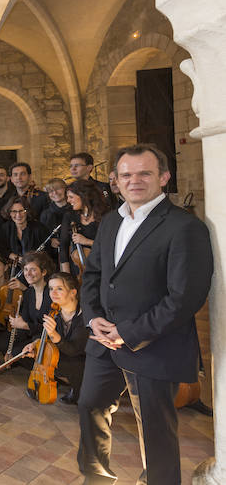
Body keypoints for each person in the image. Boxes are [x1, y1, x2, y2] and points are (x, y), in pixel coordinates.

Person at [78, 144, 213, 484]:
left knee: (155, 430)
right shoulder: (110, 222)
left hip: (154, 344)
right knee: (90, 406)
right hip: (104, 341)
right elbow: (93, 275)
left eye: (144, 173)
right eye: (126, 175)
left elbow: (184, 298)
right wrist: (93, 317)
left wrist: (128, 332)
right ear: (116, 182)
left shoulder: (184, 227)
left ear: (164, 177)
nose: (134, 181)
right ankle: (95, 476)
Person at [23, 271, 85, 404]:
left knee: (58, 362)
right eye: (51, 288)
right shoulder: (55, 311)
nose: (53, 293)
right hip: (65, 354)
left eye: (59, 289)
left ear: (73, 292)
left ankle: (79, 390)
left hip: (84, 360)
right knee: (36, 356)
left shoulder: (84, 316)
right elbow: (44, 336)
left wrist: (55, 336)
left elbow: (75, 350)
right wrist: (35, 344)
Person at [3, 251, 54, 359]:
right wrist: (18, 321)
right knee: (4, 344)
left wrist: (25, 325)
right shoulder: (28, 293)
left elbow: (51, 329)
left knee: (18, 352)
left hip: (49, 339)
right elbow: (26, 320)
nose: (28, 273)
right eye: (26, 269)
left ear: (44, 272)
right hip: (34, 335)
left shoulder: (52, 294)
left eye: (33, 269)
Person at [59, 179, 107, 278]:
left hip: (102, 267)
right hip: (77, 270)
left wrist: (87, 241)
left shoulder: (105, 216)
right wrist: (66, 277)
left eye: (71, 197)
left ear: (84, 196)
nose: (68, 200)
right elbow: (63, 247)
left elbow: (110, 246)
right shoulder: (69, 216)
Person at [0, 196, 50, 269]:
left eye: (21, 211)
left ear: (27, 211)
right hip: (13, 267)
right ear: (9, 213)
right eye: (14, 211)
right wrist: (17, 258)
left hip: (36, 267)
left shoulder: (39, 228)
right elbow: (2, 248)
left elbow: (46, 252)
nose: (18, 215)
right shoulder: (5, 228)